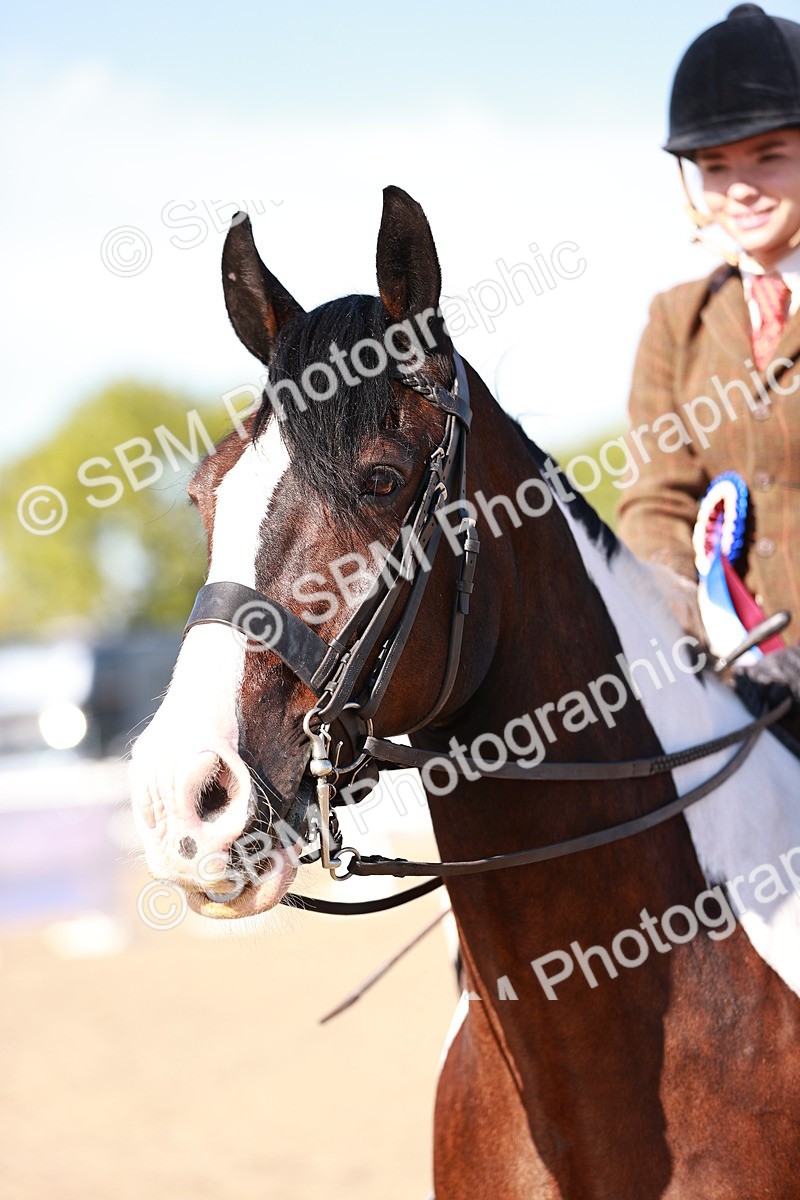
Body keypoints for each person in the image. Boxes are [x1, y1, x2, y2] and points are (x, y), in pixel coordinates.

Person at [617, 5, 800, 664]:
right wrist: (682, 616)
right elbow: (655, 495)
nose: (741, 189)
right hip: (739, 665)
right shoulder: (675, 319)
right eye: (715, 166)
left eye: (769, 156)